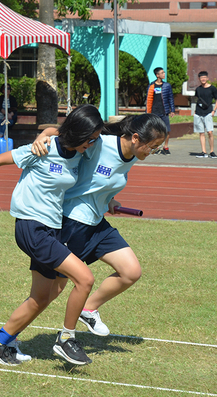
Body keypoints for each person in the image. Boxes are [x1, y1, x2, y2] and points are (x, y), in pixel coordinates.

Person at [0, 104, 104, 366]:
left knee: (45, 295)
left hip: (52, 228)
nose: (93, 144)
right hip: (32, 227)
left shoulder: (78, 152)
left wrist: (50, 131)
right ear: (79, 134)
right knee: (85, 279)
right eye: (91, 139)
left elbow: (61, 131)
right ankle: (67, 339)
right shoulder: (42, 150)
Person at [33, 113, 168, 337]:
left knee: (131, 272)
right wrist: (43, 135)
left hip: (96, 222)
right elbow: (62, 132)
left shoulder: (133, 155)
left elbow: (105, 180)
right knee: (48, 294)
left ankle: (89, 309)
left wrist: (109, 198)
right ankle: (7, 338)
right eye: (152, 147)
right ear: (135, 138)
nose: (152, 152)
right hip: (72, 222)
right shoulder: (99, 143)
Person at [146, 67, 175, 155]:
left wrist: (172, 110)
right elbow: (148, 99)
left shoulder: (167, 85)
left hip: (164, 111)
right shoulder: (151, 86)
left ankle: (165, 147)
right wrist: (147, 112)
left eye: (164, 72)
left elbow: (170, 98)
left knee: (167, 130)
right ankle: (156, 147)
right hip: (154, 112)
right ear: (157, 75)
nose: (164, 74)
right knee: (155, 131)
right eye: (162, 73)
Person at [194, 71, 217, 159]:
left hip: (208, 112)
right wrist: (195, 111)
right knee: (201, 133)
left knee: (210, 132)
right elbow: (198, 100)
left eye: (204, 77)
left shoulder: (212, 88)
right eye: (201, 77)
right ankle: (204, 152)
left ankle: (212, 151)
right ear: (199, 79)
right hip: (198, 113)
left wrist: (214, 110)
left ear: (207, 78)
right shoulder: (198, 89)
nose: (203, 79)